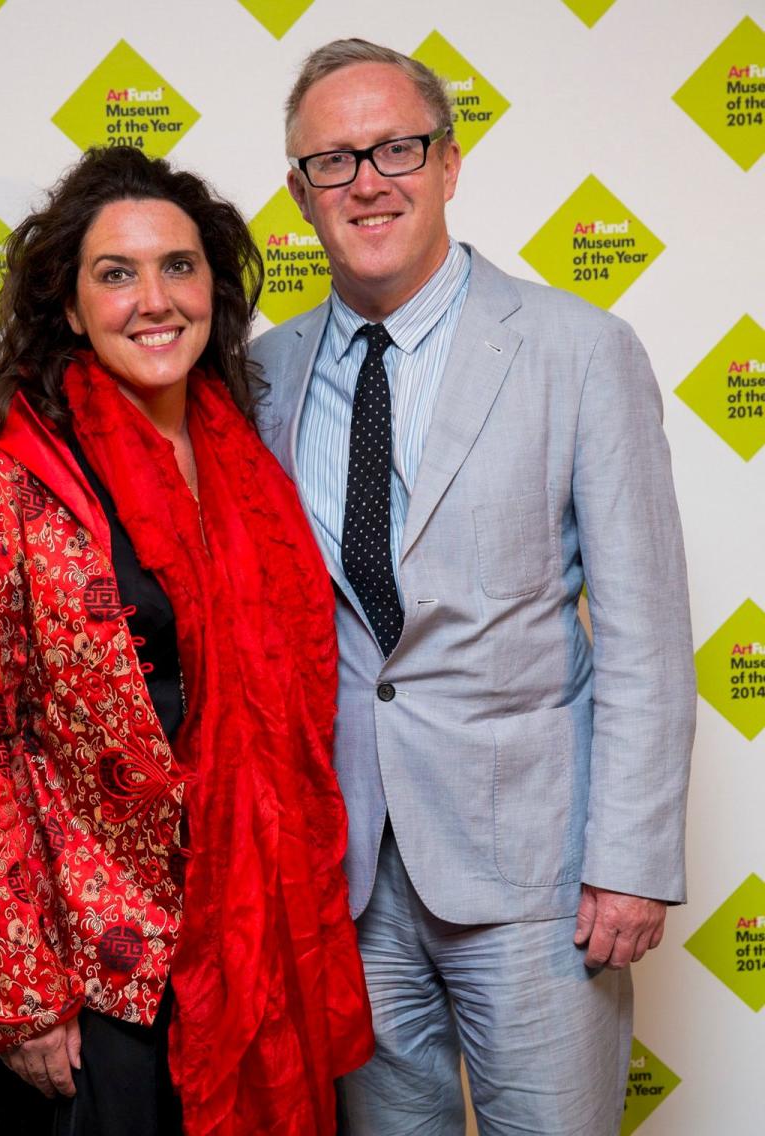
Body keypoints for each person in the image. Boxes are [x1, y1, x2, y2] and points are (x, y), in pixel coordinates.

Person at [250, 38, 695, 1136]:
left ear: (450, 162)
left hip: (538, 877)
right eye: (333, 160)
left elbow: (646, 629)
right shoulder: (261, 371)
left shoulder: (579, 349)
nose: (367, 181)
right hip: (344, 878)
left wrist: (630, 862)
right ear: (300, 192)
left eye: (396, 147)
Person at [0, 144, 372, 1136]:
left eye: (178, 265)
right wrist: (26, 992)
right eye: (115, 273)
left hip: (260, 940)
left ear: (213, 286)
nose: (153, 299)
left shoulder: (257, 468)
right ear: (71, 309)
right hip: (99, 977)